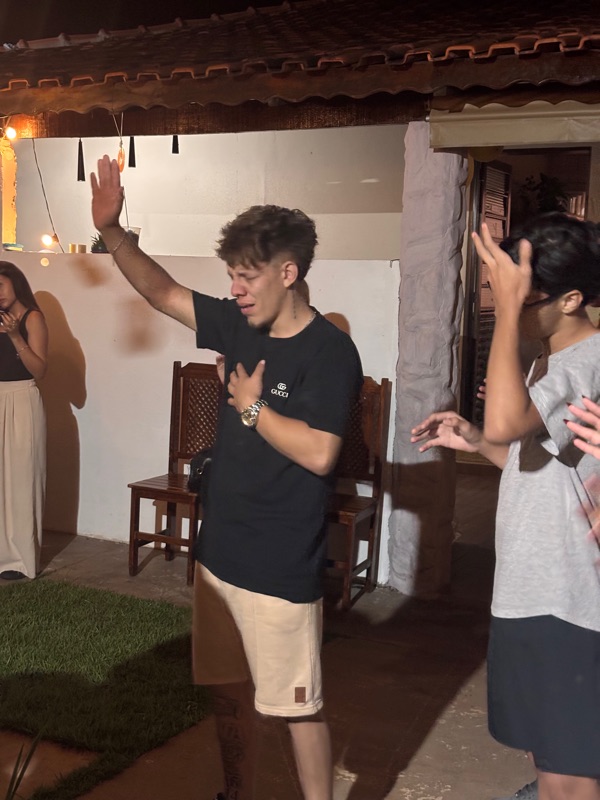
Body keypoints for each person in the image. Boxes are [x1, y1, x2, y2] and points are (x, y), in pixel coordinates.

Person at [90, 155, 362, 800]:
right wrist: (112, 231)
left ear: (288, 272)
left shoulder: (330, 352)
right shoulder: (240, 324)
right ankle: (236, 792)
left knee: (297, 707)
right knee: (228, 692)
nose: (235, 289)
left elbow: (321, 453)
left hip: (279, 562)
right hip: (220, 552)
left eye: (247, 276)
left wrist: (253, 408)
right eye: (231, 276)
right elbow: (162, 292)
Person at [411, 213, 600, 800]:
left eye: (524, 295)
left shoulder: (583, 362)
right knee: (549, 754)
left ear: (571, 299)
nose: (509, 304)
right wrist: (479, 441)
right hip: (534, 590)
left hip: (566, 599)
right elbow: (545, 470)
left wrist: (506, 313)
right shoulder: (554, 356)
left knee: (570, 772)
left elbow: (506, 420)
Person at [0, 262, 48, 581]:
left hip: (21, 398)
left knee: (21, 480)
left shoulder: (33, 318)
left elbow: (40, 370)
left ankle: (19, 560)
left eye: (0, 285)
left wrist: (16, 336)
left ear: (15, 283)